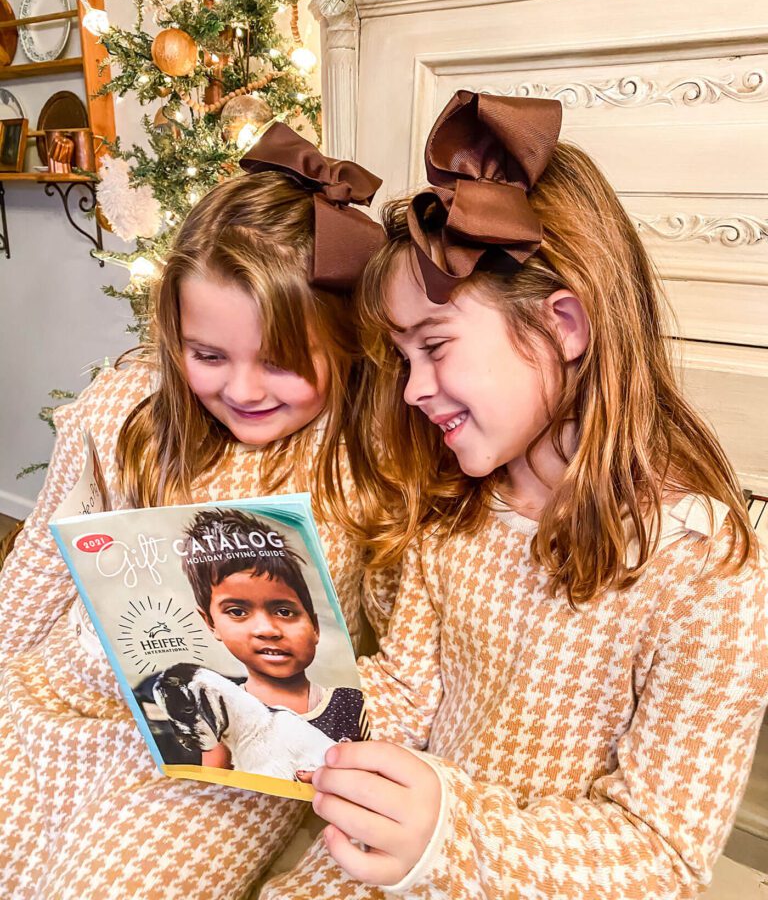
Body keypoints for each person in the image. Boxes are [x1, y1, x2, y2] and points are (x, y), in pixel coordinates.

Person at [260, 91, 768, 899]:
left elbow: (661, 857)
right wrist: (293, 705)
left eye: (434, 348)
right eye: (402, 358)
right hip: (403, 854)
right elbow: (411, 690)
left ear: (565, 324)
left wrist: (450, 835)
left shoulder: (707, 572)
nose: (413, 391)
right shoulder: (454, 505)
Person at [0, 124, 397, 900]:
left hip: (229, 758)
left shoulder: (366, 458)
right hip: (72, 694)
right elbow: (41, 568)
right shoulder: (127, 414)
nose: (243, 390)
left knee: (112, 886)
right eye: (208, 355)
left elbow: (400, 652)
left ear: (346, 343)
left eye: (280, 363)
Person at [180, 506, 369, 758]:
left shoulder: (351, 704)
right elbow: (218, 784)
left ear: (314, 626)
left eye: (284, 612)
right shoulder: (221, 711)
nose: (267, 630)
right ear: (211, 623)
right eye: (237, 612)